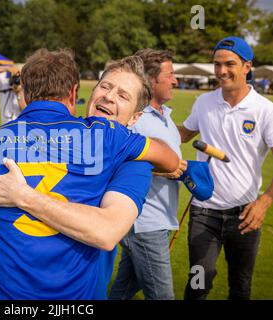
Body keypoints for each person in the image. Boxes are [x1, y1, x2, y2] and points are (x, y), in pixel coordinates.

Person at [0, 49, 179, 299]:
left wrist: (23, 196)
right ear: (79, 93)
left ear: (136, 116)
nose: (109, 96)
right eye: (105, 86)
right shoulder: (93, 138)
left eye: (123, 95)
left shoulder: (132, 163)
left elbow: (106, 232)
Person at [178, 36, 273, 300]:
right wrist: (147, 120)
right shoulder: (204, 102)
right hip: (203, 213)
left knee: (240, 287)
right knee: (199, 282)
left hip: (244, 215)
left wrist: (264, 202)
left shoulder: (265, 111)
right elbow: (182, 135)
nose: (221, 71)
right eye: (217, 64)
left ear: (247, 66)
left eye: (229, 64)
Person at [109, 49, 186, 300]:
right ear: (152, 80)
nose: (175, 80)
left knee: (122, 292)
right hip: (145, 223)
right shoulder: (136, 119)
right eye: (170, 75)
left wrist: (184, 170)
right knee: (162, 296)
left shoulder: (166, 117)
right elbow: (120, 160)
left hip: (162, 219)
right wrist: (167, 169)